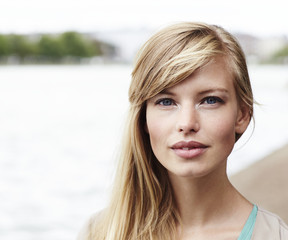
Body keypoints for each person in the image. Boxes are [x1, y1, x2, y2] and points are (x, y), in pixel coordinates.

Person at [78, 22, 288, 240]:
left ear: (242, 115)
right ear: (143, 119)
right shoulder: (100, 232)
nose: (187, 123)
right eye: (166, 102)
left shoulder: (275, 236)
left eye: (210, 100)